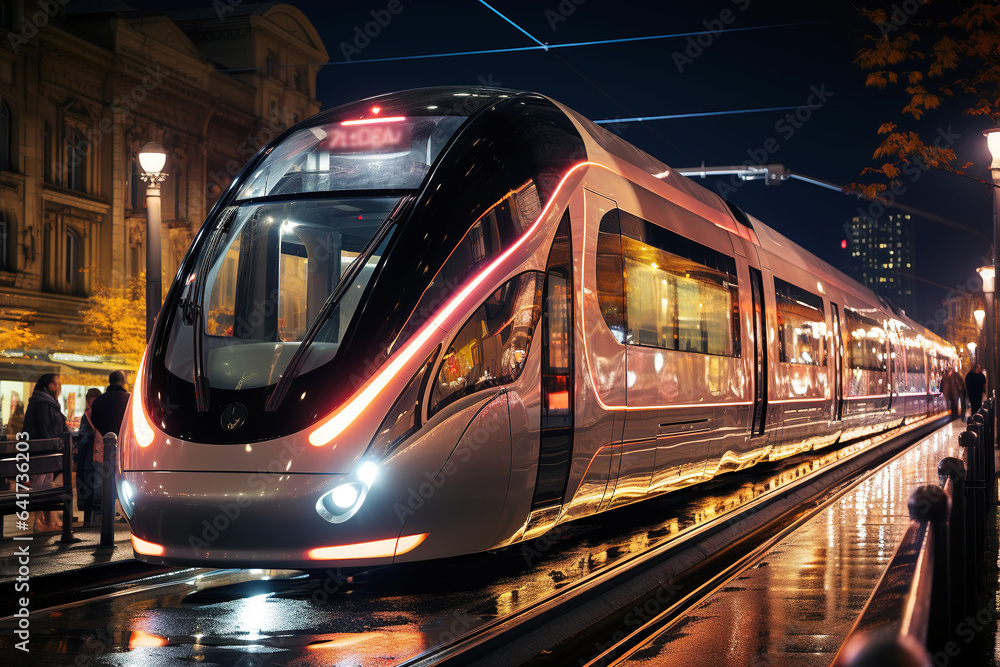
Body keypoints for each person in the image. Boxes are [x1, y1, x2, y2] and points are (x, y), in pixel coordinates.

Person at [23, 373, 67, 532]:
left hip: (46, 451)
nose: (58, 386)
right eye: (55, 383)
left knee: (47, 484)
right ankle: (38, 522)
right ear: (47, 385)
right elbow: (43, 428)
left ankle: (49, 521)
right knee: (40, 485)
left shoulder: (48, 402)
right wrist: (52, 445)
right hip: (42, 453)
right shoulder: (43, 403)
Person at [90, 371, 131, 521]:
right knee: (123, 479)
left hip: (103, 447)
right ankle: (122, 512)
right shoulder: (129, 399)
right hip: (126, 448)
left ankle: (104, 513)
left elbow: (95, 420)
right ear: (123, 382)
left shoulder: (99, 400)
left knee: (104, 479)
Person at [76, 387, 102, 525]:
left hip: (89, 457)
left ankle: (89, 521)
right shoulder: (104, 414)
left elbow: (83, 438)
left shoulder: (87, 416)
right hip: (99, 456)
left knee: (89, 486)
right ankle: (95, 520)